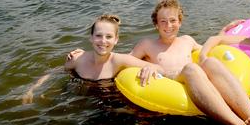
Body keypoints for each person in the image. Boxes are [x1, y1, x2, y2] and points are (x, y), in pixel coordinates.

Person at [130, 0, 250, 125]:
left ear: (180, 22)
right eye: (162, 21)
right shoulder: (147, 44)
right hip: (171, 80)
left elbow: (213, 48)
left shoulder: (187, 40)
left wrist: (225, 31)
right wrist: (150, 65)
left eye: (173, 20)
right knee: (192, 68)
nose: (168, 25)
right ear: (156, 24)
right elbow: (124, 61)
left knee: (211, 61)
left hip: (194, 79)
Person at [22, 14, 162, 104]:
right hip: (78, 99)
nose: (103, 41)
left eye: (108, 37)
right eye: (98, 36)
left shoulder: (119, 61)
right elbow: (56, 72)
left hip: (107, 103)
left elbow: (160, 68)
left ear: (116, 40)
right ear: (91, 37)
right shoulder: (77, 59)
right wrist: (33, 89)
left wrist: (151, 67)